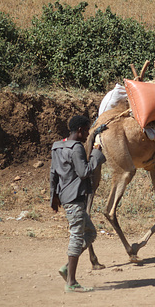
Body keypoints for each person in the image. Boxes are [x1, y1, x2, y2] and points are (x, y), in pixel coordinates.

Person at [50, 115, 106, 292]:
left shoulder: (57, 146)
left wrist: (54, 197)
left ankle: (67, 267)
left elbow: (53, 174)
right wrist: (96, 154)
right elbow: (84, 172)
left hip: (66, 197)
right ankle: (71, 283)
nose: (88, 133)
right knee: (76, 237)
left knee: (90, 233)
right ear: (80, 130)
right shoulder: (77, 148)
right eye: (87, 130)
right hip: (75, 199)